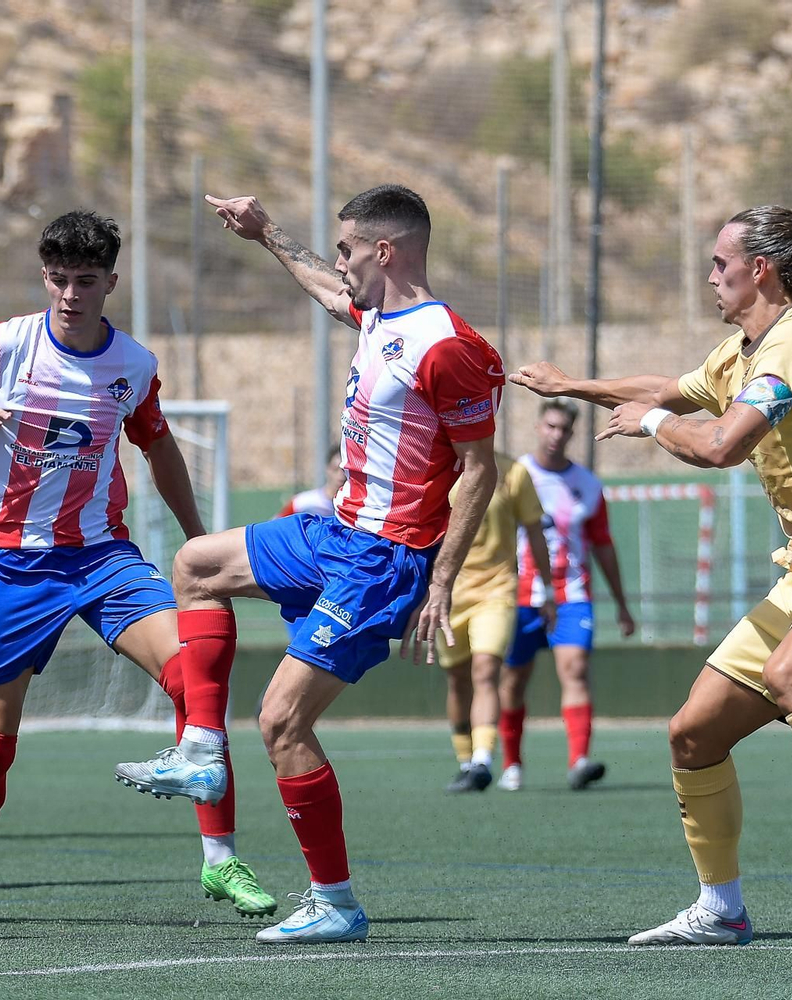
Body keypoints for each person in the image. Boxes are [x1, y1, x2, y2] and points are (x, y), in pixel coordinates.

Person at [512, 207, 792, 944]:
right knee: (691, 735)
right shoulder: (739, 353)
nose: (710, 276)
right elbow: (672, 388)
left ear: (759, 269)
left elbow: (720, 445)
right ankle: (721, 910)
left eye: (718, 263)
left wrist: (646, 423)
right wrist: (573, 385)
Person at [114, 186, 505, 943]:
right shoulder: (379, 315)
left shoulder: (447, 345)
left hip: (386, 559)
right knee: (195, 564)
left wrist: (444, 579)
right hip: (337, 531)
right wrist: (265, 234)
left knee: (282, 721)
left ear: (385, 252)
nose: (340, 261)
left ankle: (336, 901)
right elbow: (330, 292)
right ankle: (200, 747)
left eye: (350, 247)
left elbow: (478, 470)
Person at [0, 210, 276, 924]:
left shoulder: (133, 365)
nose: (71, 293)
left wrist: (202, 545)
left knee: (197, 683)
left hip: (103, 557)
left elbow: (158, 448)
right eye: (59, 279)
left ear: (110, 283)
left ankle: (221, 862)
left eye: (86, 280)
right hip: (12, 566)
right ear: (46, 277)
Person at [496, 399, 637, 791]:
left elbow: (604, 546)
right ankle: (512, 764)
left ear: (572, 434)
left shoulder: (588, 485)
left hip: (571, 595)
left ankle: (579, 760)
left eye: (564, 429)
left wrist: (623, 605)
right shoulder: (515, 475)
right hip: (519, 595)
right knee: (513, 681)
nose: (556, 435)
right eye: (550, 427)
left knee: (574, 671)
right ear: (539, 427)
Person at [436, 455, 553, 792]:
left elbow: (534, 531)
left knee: (486, 670)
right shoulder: (438, 466)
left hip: (497, 590)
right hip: (449, 592)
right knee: (458, 680)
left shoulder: (513, 472)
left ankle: (483, 760)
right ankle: (464, 759)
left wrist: (547, 589)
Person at [276, 447, 345, 518]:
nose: (341, 476)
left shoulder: (353, 508)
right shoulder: (301, 503)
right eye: (335, 469)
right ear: (327, 469)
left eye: (345, 471)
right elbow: (276, 525)